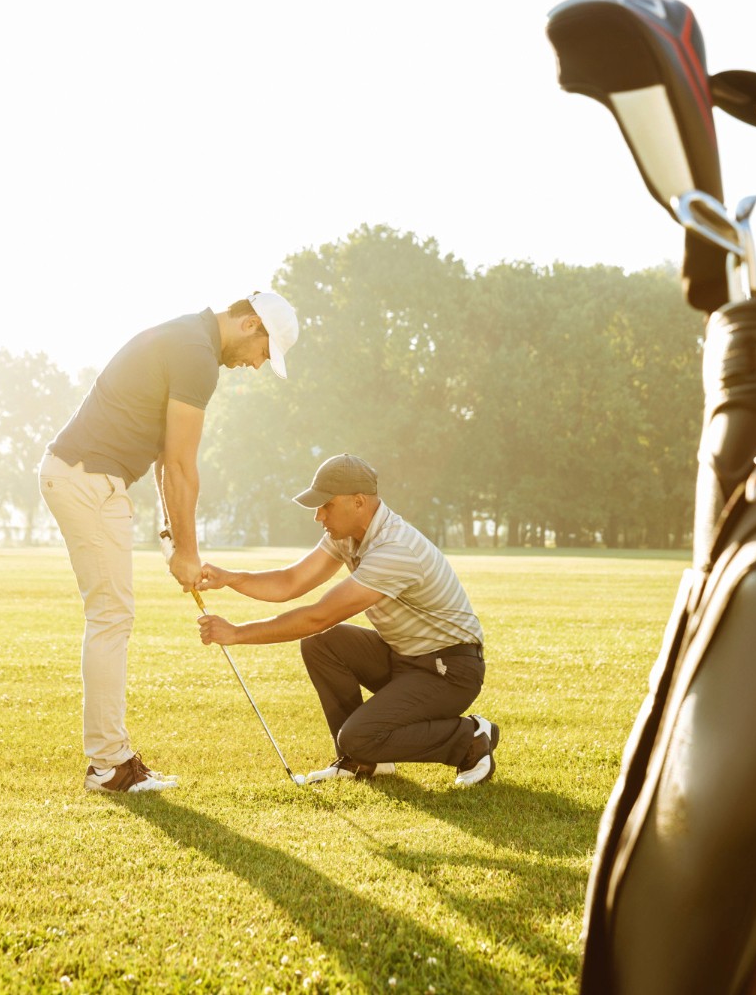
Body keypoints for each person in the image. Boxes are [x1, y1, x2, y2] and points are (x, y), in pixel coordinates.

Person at [39, 291, 300, 794]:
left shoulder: (189, 339)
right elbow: (181, 464)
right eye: (265, 352)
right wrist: (187, 551)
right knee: (111, 616)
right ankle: (109, 766)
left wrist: (170, 535)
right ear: (250, 325)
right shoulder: (196, 356)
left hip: (91, 478)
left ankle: (111, 761)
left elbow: (163, 458)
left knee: (113, 615)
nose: (259, 365)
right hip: (86, 477)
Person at [195, 454, 500, 786]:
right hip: (405, 658)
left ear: (358, 502)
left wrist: (237, 633)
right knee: (323, 644)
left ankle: (468, 739)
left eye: (325, 505)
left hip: (449, 672)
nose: (318, 516)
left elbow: (319, 616)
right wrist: (230, 578)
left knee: (356, 733)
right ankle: (362, 762)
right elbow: (291, 581)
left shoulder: (394, 549)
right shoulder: (347, 535)